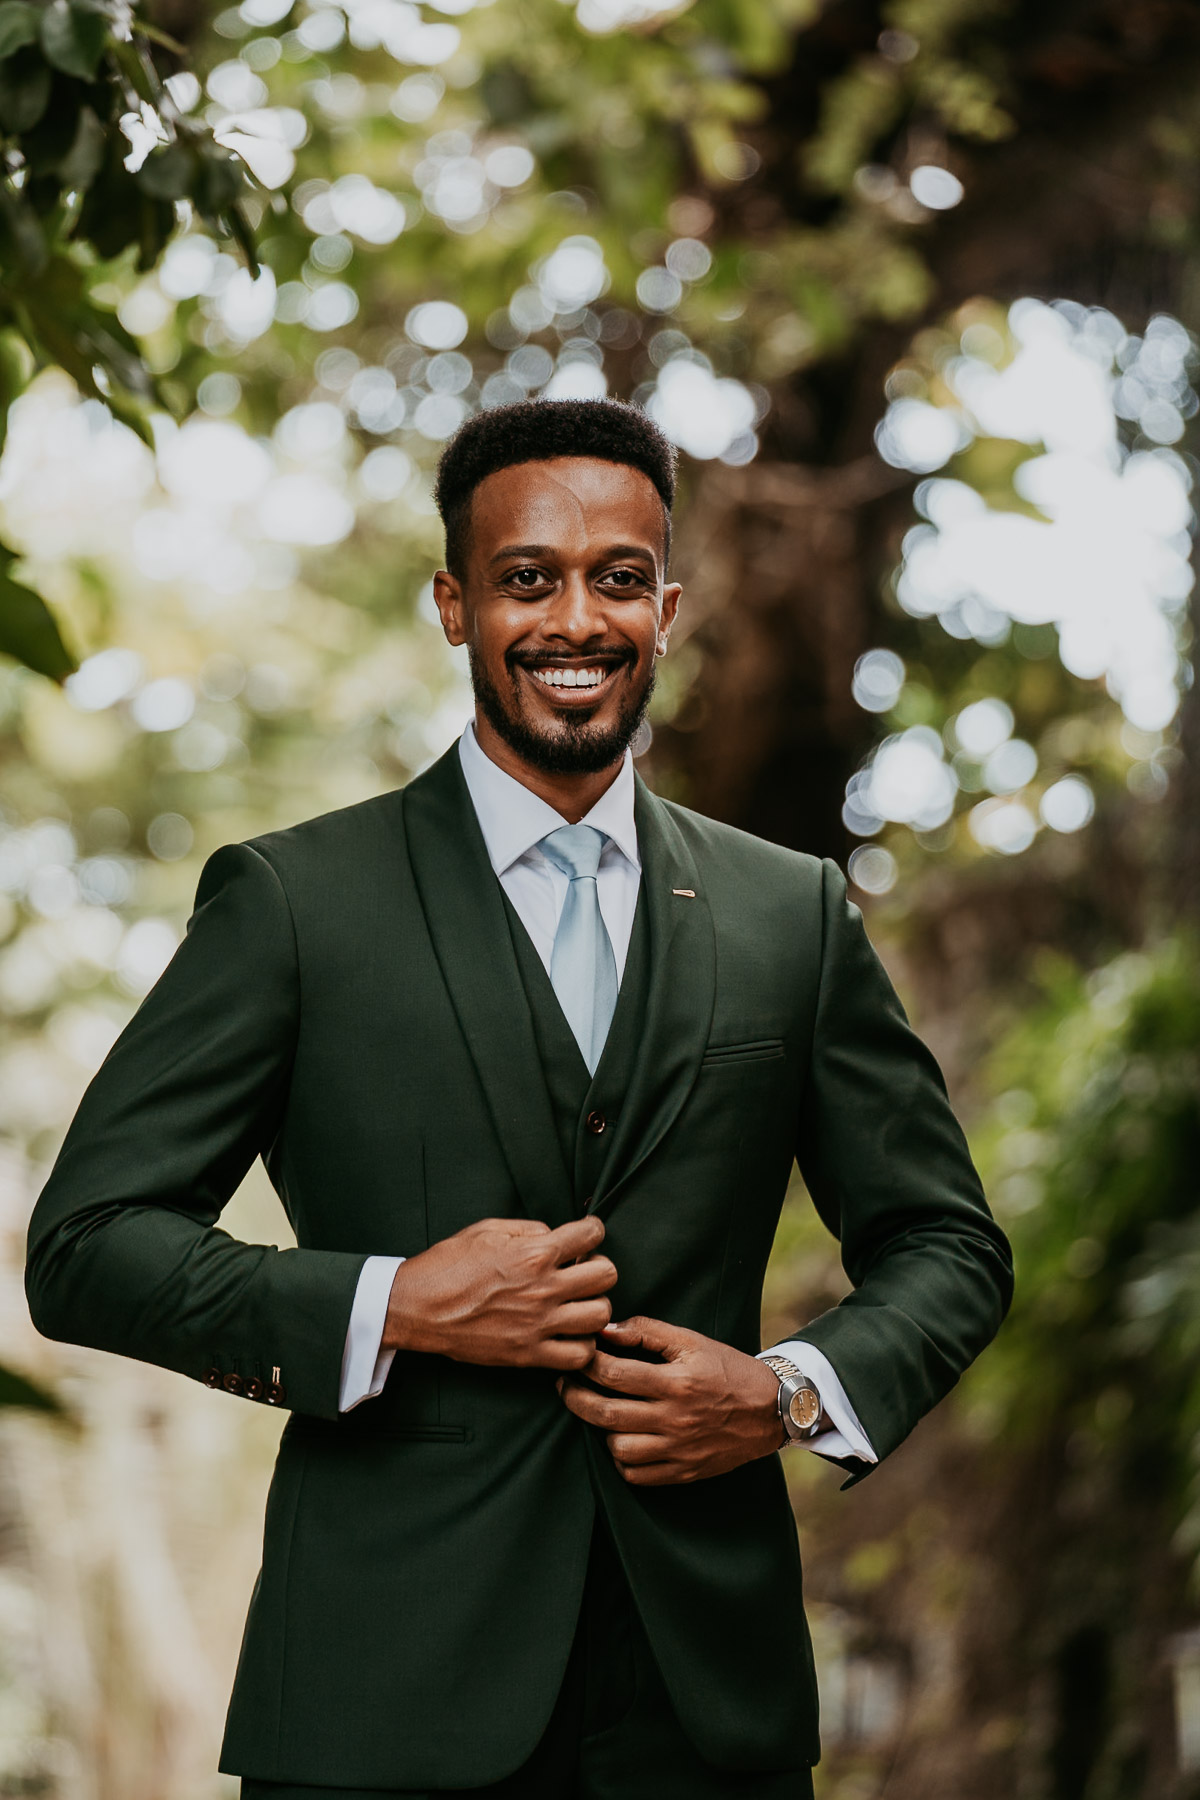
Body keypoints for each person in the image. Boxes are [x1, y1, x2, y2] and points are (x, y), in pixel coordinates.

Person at [25, 398, 1013, 1800]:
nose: (575, 618)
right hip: (380, 1695)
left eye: (618, 579)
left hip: (704, 1705)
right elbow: (85, 1244)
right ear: (454, 604)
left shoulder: (788, 915)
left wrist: (786, 1392)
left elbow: (948, 1245)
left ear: (666, 608)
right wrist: (389, 1305)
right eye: (526, 576)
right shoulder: (297, 904)